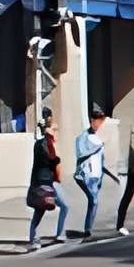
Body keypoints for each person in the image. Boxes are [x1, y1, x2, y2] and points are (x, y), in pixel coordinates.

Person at [23, 119, 64, 249]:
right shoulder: (41, 145)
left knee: (65, 205)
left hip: (51, 182)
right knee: (39, 210)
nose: (56, 133)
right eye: (54, 130)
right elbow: (52, 159)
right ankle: (33, 239)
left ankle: (59, 235)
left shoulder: (49, 144)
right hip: (43, 182)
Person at [71, 106, 109, 238]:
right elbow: (81, 152)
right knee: (93, 201)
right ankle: (88, 230)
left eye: (101, 122)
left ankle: (88, 228)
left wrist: (106, 173)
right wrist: (97, 146)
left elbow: (102, 158)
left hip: (97, 175)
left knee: (93, 202)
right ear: (92, 121)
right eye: (97, 122)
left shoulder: (100, 137)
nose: (99, 125)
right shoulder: (83, 137)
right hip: (86, 175)